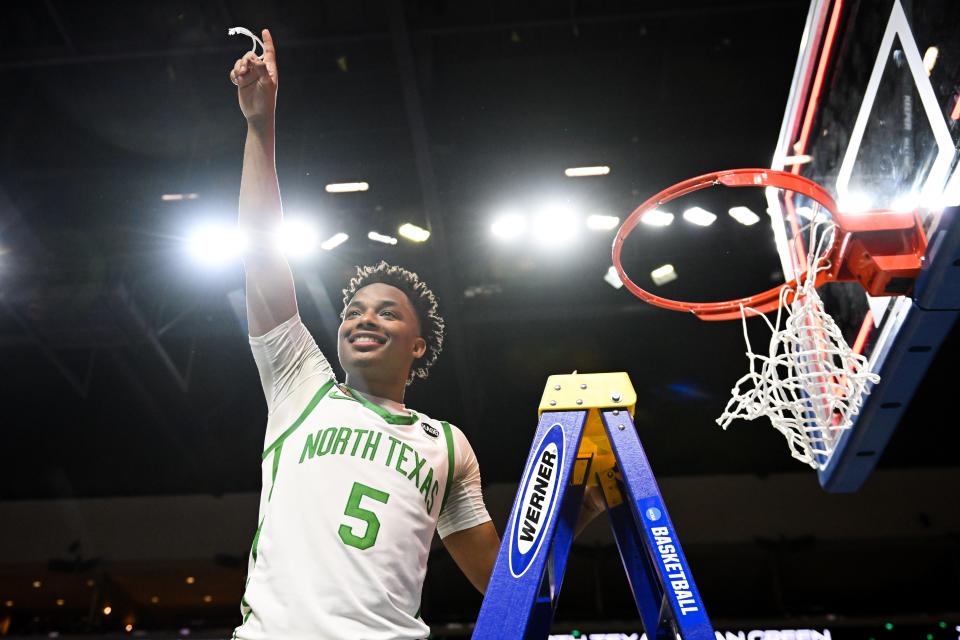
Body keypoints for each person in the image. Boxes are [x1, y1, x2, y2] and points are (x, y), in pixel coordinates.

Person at [228, 29, 606, 639]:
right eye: (353, 310)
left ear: (418, 344)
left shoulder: (449, 447)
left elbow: (499, 580)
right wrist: (259, 125)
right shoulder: (301, 385)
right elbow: (260, 251)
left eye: (385, 312)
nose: (361, 319)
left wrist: (573, 516)